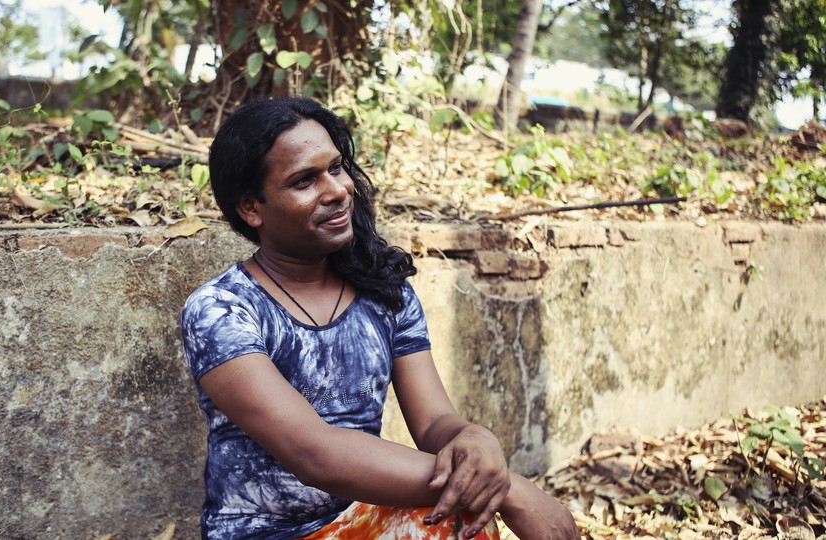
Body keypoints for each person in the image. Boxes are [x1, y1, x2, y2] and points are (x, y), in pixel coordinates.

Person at [181, 97, 578, 540]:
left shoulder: (384, 292)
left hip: (364, 522)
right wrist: (509, 490)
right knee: (450, 518)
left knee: (452, 519)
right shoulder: (222, 310)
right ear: (251, 208)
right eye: (304, 181)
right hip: (266, 534)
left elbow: (433, 425)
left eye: (336, 168)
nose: (336, 190)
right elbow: (316, 455)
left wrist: (475, 439)